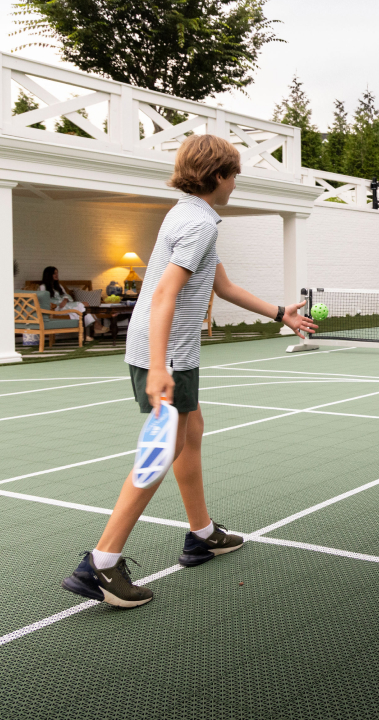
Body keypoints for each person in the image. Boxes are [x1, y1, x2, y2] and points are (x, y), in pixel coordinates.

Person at [61, 134, 317, 608]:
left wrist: (279, 312)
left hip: (174, 353)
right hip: (168, 356)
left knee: (191, 430)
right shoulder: (198, 224)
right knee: (164, 448)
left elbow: (224, 285)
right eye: (234, 173)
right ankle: (101, 563)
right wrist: (160, 368)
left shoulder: (192, 216)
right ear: (217, 176)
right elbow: (163, 295)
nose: (237, 182)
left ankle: (201, 534)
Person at [37, 266, 102, 332]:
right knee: (83, 305)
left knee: (82, 308)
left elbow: (66, 295)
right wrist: (54, 305)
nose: (57, 275)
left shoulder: (58, 286)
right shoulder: (43, 287)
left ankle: (92, 327)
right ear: (49, 275)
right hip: (56, 308)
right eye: (54, 273)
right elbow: (43, 300)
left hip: (65, 305)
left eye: (57, 273)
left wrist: (65, 300)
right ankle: (96, 325)